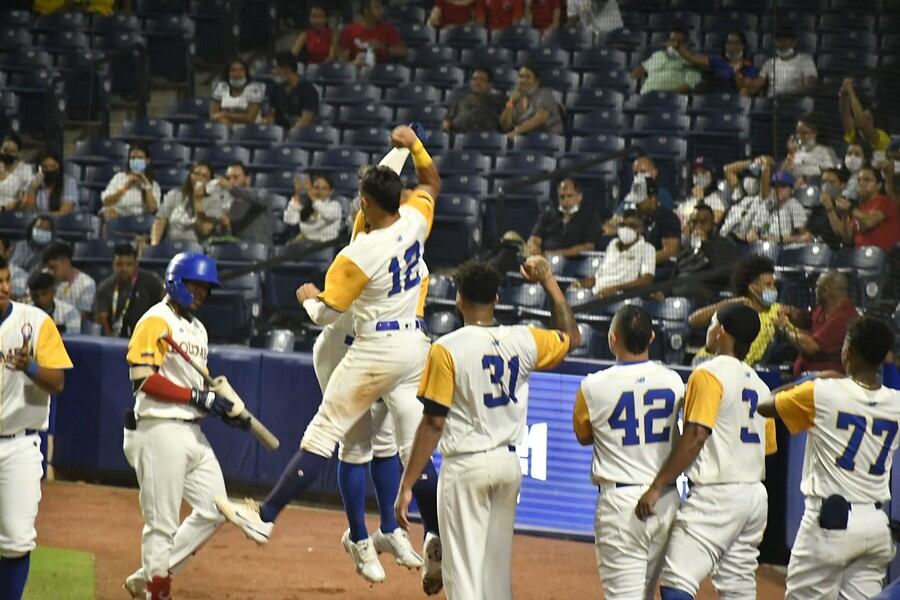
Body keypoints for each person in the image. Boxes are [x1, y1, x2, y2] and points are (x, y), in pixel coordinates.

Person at [215, 125, 446, 595]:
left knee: (323, 433)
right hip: (414, 348)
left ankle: (265, 515)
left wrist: (306, 298)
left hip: (375, 347)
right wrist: (413, 146)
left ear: (365, 204)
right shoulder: (415, 218)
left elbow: (325, 315)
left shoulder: (359, 251)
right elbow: (431, 182)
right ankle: (439, 532)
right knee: (415, 450)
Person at [395, 256, 579, 600]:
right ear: (497, 298)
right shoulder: (524, 338)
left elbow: (433, 421)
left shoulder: (446, 348)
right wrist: (548, 281)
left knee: (463, 576)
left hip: (465, 467)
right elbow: (572, 337)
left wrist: (407, 484)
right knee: (495, 579)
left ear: (459, 299)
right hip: (507, 465)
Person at [121, 252, 253, 600]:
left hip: (192, 431)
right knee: (161, 524)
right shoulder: (156, 320)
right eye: (196, 285)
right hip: (159, 428)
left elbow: (199, 386)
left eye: (207, 288)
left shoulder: (198, 329)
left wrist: (224, 409)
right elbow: (143, 379)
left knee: (215, 509)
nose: (202, 294)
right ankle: (157, 592)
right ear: (176, 281)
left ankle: (147, 577)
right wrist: (197, 397)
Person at [326, 146, 429, 584]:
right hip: (343, 347)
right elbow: (381, 183)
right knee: (355, 445)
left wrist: (406, 147)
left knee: (386, 444)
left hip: (386, 351)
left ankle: (388, 528)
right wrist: (405, 147)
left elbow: (385, 182)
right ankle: (357, 538)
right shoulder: (364, 240)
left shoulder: (409, 241)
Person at [636, 303, 777, 599]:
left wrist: (658, 486)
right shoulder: (762, 386)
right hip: (754, 496)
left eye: (712, 323)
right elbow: (768, 449)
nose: (709, 330)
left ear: (721, 331)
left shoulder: (708, 374)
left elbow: (696, 435)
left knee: (677, 579)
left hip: (718, 495)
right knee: (738, 585)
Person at [758, 316, 900, 600]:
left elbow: (764, 405)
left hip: (830, 524)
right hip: (876, 526)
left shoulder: (822, 392)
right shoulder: (896, 401)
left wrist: (811, 380)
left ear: (848, 351)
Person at [573, 305, 685, 599]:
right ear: (651, 337)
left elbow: (583, 435)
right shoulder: (674, 381)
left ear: (612, 339)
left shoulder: (592, 386)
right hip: (666, 498)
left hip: (622, 503)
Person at [0, 257, 72, 600]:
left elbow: (57, 382)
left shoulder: (36, 322)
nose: (3, 287)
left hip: (19, 445)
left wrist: (29, 366)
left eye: (6, 279)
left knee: (16, 541)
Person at [689, 254, 781, 367]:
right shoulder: (735, 309)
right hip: (709, 360)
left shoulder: (777, 312)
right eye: (768, 284)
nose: (773, 289)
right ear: (752, 288)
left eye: (774, 284)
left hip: (739, 367)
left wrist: (784, 328)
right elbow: (693, 320)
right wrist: (728, 304)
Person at [776, 271, 857, 377]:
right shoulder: (824, 308)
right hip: (804, 375)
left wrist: (785, 328)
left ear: (826, 290)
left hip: (825, 380)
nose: (815, 290)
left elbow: (810, 346)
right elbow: (808, 321)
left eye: (817, 287)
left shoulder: (844, 317)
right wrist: (791, 312)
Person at [673, 204, 742, 306]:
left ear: (712, 224)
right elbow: (675, 273)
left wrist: (705, 244)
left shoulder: (725, 244)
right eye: (694, 222)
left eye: (703, 222)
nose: (698, 226)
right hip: (684, 294)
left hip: (712, 295)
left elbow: (726, 274)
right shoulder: (688, 248)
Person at [821, 165, 900, 253]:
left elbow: (868, 222)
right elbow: (847, 237)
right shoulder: (860, 207)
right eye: (859, 180)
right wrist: (844, 215)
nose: (861, 183)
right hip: (859, 255)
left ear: (878, 185)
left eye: (867, 180)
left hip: (883, 256)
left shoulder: (885, 202)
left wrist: (850, 208)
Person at [93, 243, 164, 338]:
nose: (124, 269)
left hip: (148, 336)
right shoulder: (104, 287)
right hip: (115, 339)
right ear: (113, 265)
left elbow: (165, 309)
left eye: (129, 264)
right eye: (119, 264)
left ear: (136, 264)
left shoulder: (152, 281)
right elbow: (102, 320)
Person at [579, 209, 655, 298]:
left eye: (632, 226)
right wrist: (588, 282)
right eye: (623, 225)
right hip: (596, 293)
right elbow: (601, 273)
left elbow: (647, 280)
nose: (626, 229)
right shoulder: (613, 244)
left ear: (641, 229)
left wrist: (616, 288)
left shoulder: (647, 248)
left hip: (619, 297)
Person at [151, 162, 228, 245]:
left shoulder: (214, 202)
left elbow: (205, 229)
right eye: (196, 174)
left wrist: (198, 200)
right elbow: (160, 221)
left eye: (204, 176)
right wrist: (154, 245)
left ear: (209, 182)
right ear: (190, 176)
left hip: (197, 247)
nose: (199, 178)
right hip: (171, 246)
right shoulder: (174, 194)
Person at [526, 178, 602, 257]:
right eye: (562, 197)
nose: (565, 200)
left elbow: (588, 247)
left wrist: (555, 255)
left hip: (574, 262)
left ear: (580, 197)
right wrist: (536, 251)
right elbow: (534, 239)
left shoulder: (591, 217)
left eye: (569, 196)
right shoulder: (548, 214)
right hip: (545, 260)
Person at [676, 30, 759, 94]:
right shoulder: (717, 60)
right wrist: (679, 47)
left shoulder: (749, 67)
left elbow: (741, 89)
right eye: (729, 43)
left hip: (731, 98)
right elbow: (692, 58)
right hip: (709, 94)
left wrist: (737, 72)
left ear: (742, 46)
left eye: (736, 43)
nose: (732, 46)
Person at [745, 26, 817, 97]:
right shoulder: (770, 62)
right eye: (778, 40)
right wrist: (747, 84)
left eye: (785, 40)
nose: (781, 43)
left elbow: (809, 85)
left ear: (794, 42)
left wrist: (787, 95)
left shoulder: (806, 61)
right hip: (771, 101)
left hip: (795, 101)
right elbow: (758, 83)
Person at [499, 64, 565, 138]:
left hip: (549, 138)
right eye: (521, 76)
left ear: (536, 81)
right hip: (523, 140)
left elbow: (541, 118)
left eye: (528, 77)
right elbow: (505, 127)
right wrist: (511, 101)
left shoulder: (545, 94)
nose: (523, 80)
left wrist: (516, 132)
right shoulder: (515, 98)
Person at [630, 27, 702, 94]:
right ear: (668, 42)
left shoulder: (691, 61)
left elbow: (689, 85)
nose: (676, 44)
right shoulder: (658, 55)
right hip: (646, 95)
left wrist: (667, 96)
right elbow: (639, 71)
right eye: (672, 41)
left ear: (686, 44)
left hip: (670, 99)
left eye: (680, 42)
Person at [745, 169, 809, 244]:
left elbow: (805, 236)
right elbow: (754, 228)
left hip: (784, 247)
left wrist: (780, 239)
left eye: (783, 186)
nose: (778, 189)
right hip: (761, 245)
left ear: (791, 189)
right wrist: (752, 234)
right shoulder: (767, 204)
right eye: (775, 186)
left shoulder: (794, 206)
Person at [218, 163, 274, 245]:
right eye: (228, 178)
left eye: (235, 177)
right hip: (237, 249)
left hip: (261, 248)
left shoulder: (260, 194)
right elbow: (226, 238)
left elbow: (259, 198)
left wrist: (231, 188)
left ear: (247, 180)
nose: (231, 181)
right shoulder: (225, 206)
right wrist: (226, 226)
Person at [100, 145, 160, 219]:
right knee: (109, 213)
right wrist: (126, 187)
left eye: (140, 158)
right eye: (133, 158)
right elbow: (106, 202)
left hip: (139, 220)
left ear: (147, 161)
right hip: (117, 216)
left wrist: (146, 185)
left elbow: (153, 210)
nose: (136, 161)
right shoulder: (119, 177)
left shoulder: (153, 185)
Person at [340, 0, 407, 66]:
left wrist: (383, 46)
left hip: (382, 69)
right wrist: (354, 63)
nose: (382, 11)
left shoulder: (388, 29)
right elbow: (343, 62)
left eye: (381, 7)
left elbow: (404, 52)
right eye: (377, 8)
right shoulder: (350, 30)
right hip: (357, 70)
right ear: (366, 10)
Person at [720, 157, 772, 242]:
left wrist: (765, 166)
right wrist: (751, 163)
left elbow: (764, 193)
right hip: (726, 237)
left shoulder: (764, 198)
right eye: (748, 176)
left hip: (746, 241)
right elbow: (727, 169)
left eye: (754, 178)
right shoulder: (739, 192)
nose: (750, 180)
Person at [284, 173, 344, 244]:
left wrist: (311, 195)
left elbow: (328, 215)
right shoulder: (306, 206)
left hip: (326, 246)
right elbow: (290, 221)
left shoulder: (335, 206)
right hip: (306, 246)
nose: (320, 192)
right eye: (316, 188)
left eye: (324, 189)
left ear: (330, 192)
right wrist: (297, 194)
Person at [41, 240, 96, 318]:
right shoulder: (44, 276)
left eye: (53, 267)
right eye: (48, 268)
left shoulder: (87, 284)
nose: (50, 272)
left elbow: (81, 315)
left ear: (66, 262)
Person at [839, 78, 892, 159]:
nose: (860, 118)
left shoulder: (882, 138)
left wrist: (851, 92)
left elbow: (863, 125)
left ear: (873, 122)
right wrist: (844, 94)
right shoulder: (854, 135)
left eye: (867, 118)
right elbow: (845, 115)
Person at [442, 67, 506, 134]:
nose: (477, 82)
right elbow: (447, 120)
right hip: (460, 136)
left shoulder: (499, 101)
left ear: (490, 85)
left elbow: (505, 124)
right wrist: (446, 124)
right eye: (474, 79)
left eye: (482, 80)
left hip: (487, 137)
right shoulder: (460, 100)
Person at [633, 178, 681, 267]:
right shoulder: (637, 218)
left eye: (641, 201)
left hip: (660, 270)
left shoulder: (667, 218)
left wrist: (640, 260)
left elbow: (670, 252)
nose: (637, 205)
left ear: (653, 198)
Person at [268, 52, 320, 130]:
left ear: (286, 69)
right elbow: (271, 115)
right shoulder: (275, 88)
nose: (273, 72)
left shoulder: (308, 90)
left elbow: (305, 122)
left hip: (301, 134)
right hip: (279, 132)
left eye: (275, 68)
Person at [210, 59, 265, 126]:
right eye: (233, 70)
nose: (238, 73)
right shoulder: (221, 87)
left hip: (250, 129)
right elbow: (214, 115)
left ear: (246, 72)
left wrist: (224, 114)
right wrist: (224, 121)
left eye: (241, 70)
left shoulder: (254, 89)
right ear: (228, 73)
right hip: (225, 127)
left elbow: (250, 118)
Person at [675, 158, 726, 227]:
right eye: (695, 174)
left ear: (712, 175)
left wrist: (700, 200)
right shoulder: (690, 198)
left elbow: (714, 221)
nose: (699, 177)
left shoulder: (718, 197)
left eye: (703, 173)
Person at [785, 114, 839, 180]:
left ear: (815, 133)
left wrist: (804, 178)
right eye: (798, 132)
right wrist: (791, 153)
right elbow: (784, 175)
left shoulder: (826, 151)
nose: (799, 136)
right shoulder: (796, 152)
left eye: (804, 133)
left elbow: (830, 175)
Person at [0, 133, 34, 211]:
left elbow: (23, 200)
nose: (8, 154)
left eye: (13, 151)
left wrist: (3, 208)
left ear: (18, 153)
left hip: (11, 214)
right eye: (5, 150)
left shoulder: (25, 170)